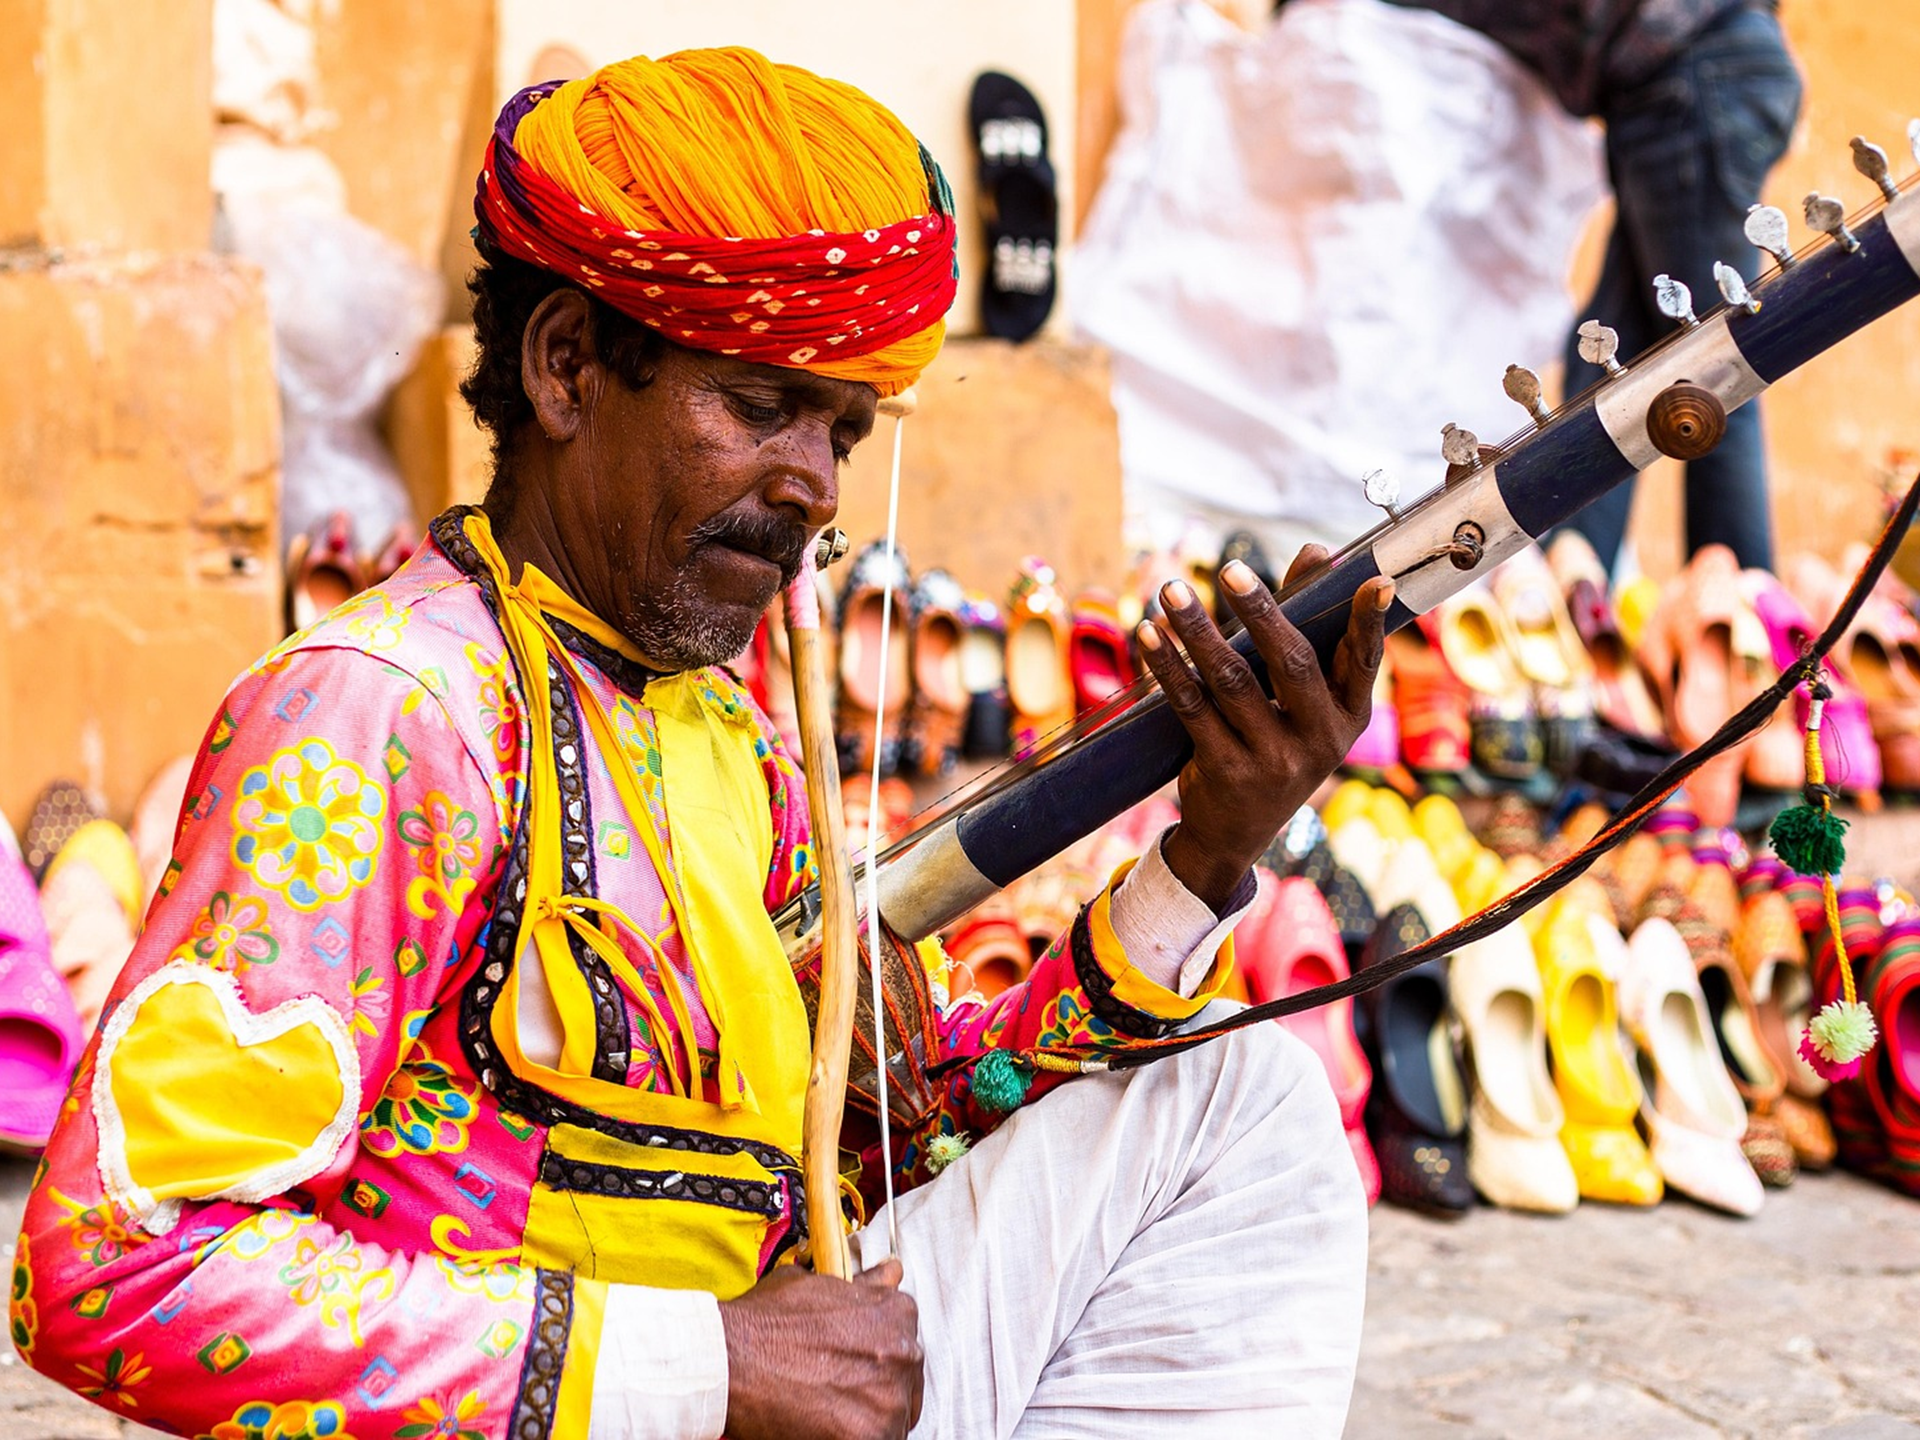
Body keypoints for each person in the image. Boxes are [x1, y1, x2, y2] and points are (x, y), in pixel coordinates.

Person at [11, 48, 1391, 1440]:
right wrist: (699, 1370)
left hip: (749, 1393)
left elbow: (889, 1135)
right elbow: (116, 1269)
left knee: (1242, 1098)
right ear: (567, 367)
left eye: (842, 430)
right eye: (762, 406)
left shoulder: (728, 731)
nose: (812, 486)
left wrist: (1205, 856)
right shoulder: (385, 715)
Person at [1381, 0, 1803, 574]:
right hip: (1689, 76)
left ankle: (1737, 612)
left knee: (1716, 360)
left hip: (1694, 72)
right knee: (1615, 360)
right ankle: (1578, 576)